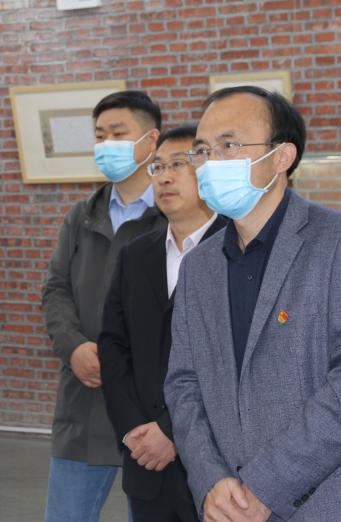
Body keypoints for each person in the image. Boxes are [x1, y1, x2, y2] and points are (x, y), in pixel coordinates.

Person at [164, 86, 341, 521]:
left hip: (340, 505)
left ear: (282, 156)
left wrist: (264, 486)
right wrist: (210, 480)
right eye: (203, 150)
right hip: (230, 506)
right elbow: (183, 383)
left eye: (229, 145)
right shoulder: (198, 267)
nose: (211, 162)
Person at [42, 90, 167, 522]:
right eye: (99, 135)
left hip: (150, 405)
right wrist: (73, 346)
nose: (107, 144)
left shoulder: (174, 217)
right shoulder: (83, 215)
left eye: (118, 133)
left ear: (151, 140)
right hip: (85, 395)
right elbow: (56, 289)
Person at [98, 126, 226, 522]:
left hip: (218, 467)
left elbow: (231, 362)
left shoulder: (236, 249)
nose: (165, 177)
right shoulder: (136, 254)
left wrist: (171, 431)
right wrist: (134, 428)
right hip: (146, 462)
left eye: (179, 165)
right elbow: (113, 344)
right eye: (157, 167)